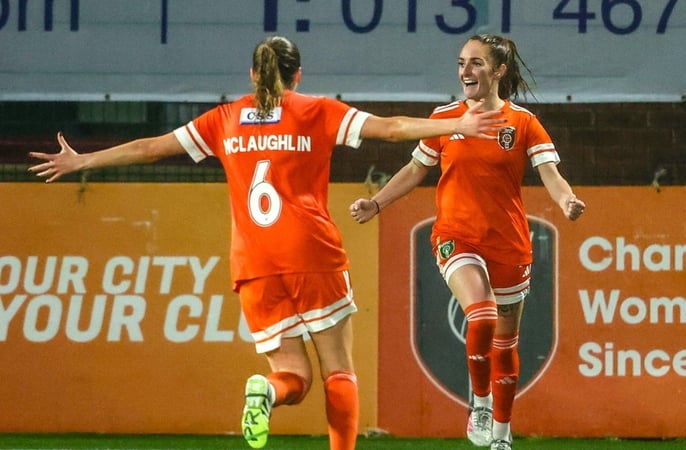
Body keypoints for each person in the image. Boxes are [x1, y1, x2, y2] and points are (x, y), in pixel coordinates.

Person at [28, 35, 504, 450]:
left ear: (252, 73)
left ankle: (266, 391)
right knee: (338, 370)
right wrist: (453, 125)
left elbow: (150, 147)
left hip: (253, 264)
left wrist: (83, 161)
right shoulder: (315, 111)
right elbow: (393, 126)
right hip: (311, 253)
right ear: (298, 76)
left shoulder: (224, 119)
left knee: (293, 378)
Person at [349, 34, 585, 450]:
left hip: (510, 246)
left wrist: (565, 198)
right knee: (482, 314)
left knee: (507, 343)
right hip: (456, 238)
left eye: (476, 63)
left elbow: (550, 173)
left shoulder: (523, 123)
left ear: (498, 71)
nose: (465, 71)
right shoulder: (446, 118)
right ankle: (479, 400)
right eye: (461, 63)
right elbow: (415, 168)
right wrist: (377, 202)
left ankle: (502, 433)